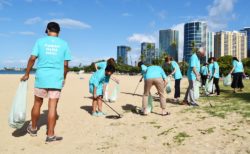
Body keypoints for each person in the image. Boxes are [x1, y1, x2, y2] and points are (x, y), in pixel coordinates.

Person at [20, 22, 71, 143]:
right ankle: (50, 135)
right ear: (58, 32)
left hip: (42, 78)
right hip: (56, 79)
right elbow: (65, 65)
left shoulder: (40, 41)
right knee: (52, 106)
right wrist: (63, 78)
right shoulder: (64, 44)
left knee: (37, 103)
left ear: (47, 30)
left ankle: (33, 129)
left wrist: (27, 73)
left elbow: (32, 58)